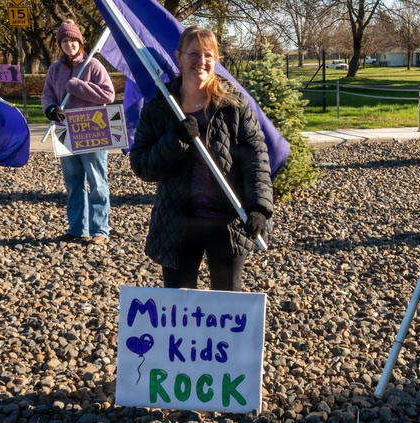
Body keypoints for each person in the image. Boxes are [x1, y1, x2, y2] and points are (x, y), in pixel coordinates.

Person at [129, 26, 272, 291]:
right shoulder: (160, 107)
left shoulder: (234, 105)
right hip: (178, 222)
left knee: (227, 303)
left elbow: (256, 158)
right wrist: (176, 140)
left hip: (228, 221)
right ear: (178, 57)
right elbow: (142, 165)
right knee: (179, 304)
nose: (201, 61)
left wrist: (259, 208)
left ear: (216, 59)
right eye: (193, 54)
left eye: (208, 54)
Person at [42, 20, 116, 245]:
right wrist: (50, 109)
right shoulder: (55, 69)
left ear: (80, 42)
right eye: (64, 41)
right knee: (73, 182)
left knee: (97, 182)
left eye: (72, 40)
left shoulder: (93, 66)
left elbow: (108, 95)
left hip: (92, 129)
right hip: (65, 130)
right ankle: (77, 228)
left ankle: (100, 230)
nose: (69, 44)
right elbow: (47, 95)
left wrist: (78, 87)